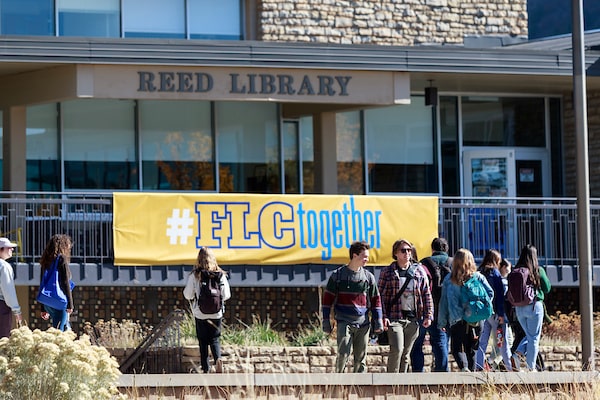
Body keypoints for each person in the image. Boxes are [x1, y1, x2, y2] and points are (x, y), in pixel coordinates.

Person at [322, 240, 383, 373]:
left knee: (360, 359)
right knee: (343, 354)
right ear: (354, 256)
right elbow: (327, 301)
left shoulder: (368, 277)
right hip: (344, 321)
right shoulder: (337, 276)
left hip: (363, 323)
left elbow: (375, 300)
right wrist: (326, 321)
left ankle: (359, 388)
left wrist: (378, 321)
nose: (367, 259)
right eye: (364, 256)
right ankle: (339, 385)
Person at [378, 239, 433, 373]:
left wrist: (429, 315)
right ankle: (391, 381)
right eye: (403, 250)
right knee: (397, 349)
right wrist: (382, 316)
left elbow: (426, 294)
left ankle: (401, 383)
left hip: (413, 318)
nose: (407, 253)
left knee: (406, 353)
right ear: (396, 253)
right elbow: (380, 297)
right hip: (394, 318)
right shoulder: (388, 272)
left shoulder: (419, 271)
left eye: (409, 250)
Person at [438, 248, 493, 372]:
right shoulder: (478, 277)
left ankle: (464, 368)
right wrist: (479, 307)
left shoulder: (449, 279)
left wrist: (442, 322)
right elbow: (490, 293)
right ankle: (472, 376)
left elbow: (444, 303)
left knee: (456, 348)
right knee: (472, 349)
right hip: (476, 319)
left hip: (457, 320)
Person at [183, 246, 231, 373]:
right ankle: (217, 359)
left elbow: (187, 295)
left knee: (203, 341)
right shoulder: (220, 275)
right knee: (214, 338)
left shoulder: (195, 275)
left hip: (200, 313)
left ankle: (206, 368)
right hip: (216, 313)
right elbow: (226, 295)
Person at [411, 237, 452, 372]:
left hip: (425, 308)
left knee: (417, 342)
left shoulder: (424, 263)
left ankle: (418, 373)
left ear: (432, 249)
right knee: (441, 342)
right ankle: (442, 375)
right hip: (446, 309)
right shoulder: (453, 263)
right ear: (446, 249)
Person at [510, 244, 551, 372]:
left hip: (519, 308)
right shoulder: (538, 270)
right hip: (534, 306)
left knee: (529, 335)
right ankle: (531, 368)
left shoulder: (515, 270)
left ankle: (517, 355)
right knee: (533, 338)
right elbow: (547, 288)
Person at [474, 249, 513, 371]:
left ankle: (479, 366)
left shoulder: (479, 272)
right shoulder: (495, 274)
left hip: (482, 313)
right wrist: (501, 314)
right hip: (495, 313)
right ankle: (510, 367)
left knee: (483, 341)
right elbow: (500, 296)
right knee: (503, 342)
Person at [39, 234, 74, 331]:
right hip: (60, 300)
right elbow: (65, 282)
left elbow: (43, 283)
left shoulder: (45, 260)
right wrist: (70, 304)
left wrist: (43, 307)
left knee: (62, 327)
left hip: (48, 301)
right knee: (60, 330)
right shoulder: (61, 259)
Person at [0, 237, 22, 337]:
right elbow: (8, 291)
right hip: (1, 306)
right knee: (2, 341)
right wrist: (17, 311)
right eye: (8, 248)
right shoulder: (4, 266)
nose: (12, 249)